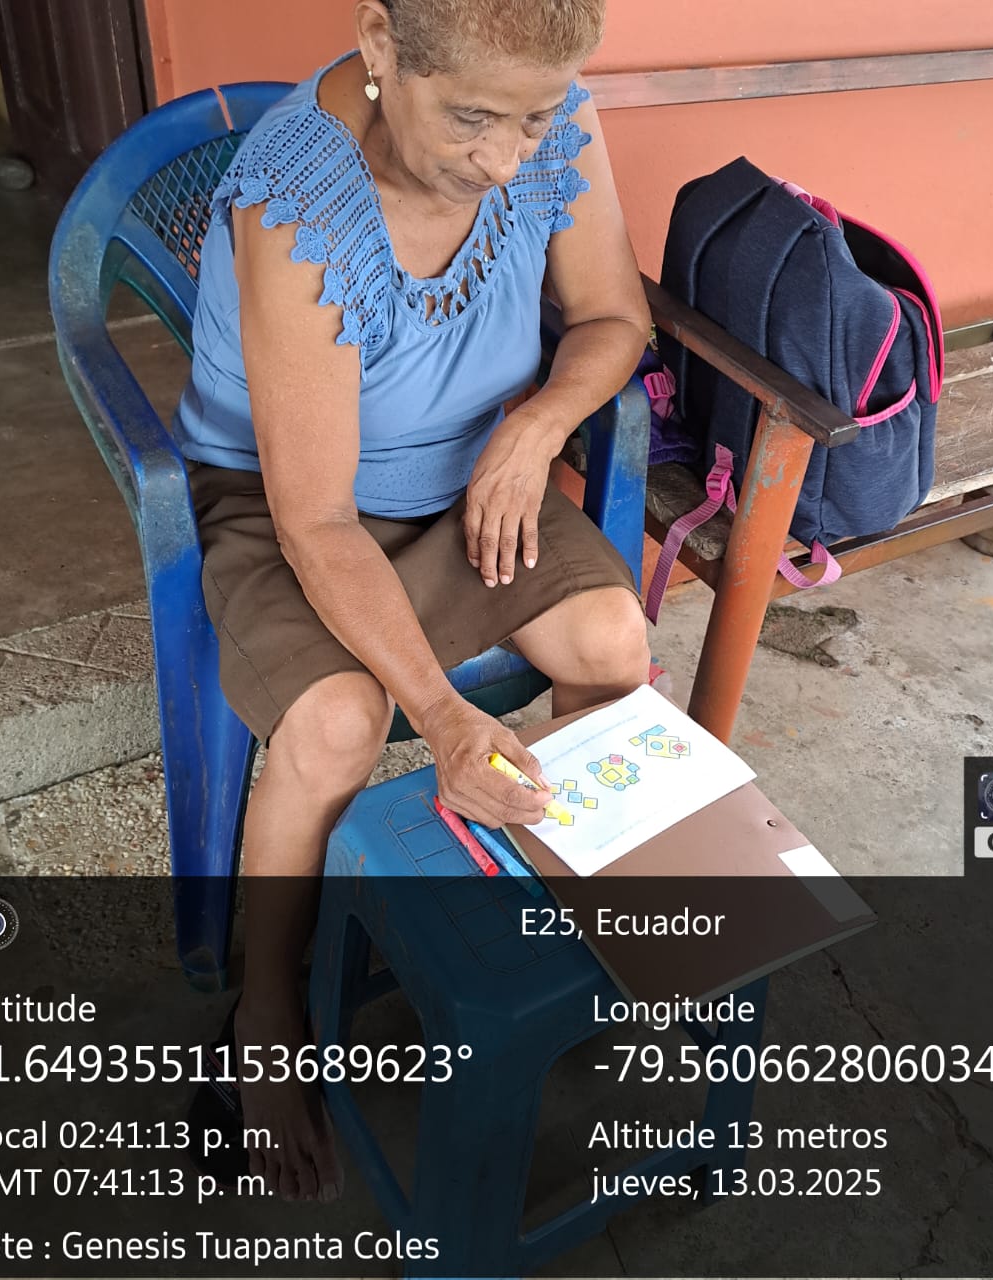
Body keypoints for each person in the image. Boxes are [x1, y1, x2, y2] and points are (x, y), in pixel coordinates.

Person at [173, 0, 651, 1203]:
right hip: (289, 502)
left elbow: (613, 316)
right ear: (381, 45)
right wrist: (438, 713)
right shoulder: (300, 205)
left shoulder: (552, 127)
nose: (507, 161)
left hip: (471, 472)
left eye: (534, 119)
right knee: (338, 722)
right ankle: (266, 1009)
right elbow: (316, 519)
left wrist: (535, 428)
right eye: (473, 118)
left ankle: (542, 915)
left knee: (612, 641)